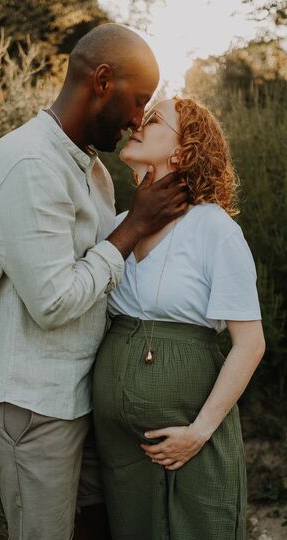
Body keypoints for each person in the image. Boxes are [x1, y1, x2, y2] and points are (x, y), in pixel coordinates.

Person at [0, 24, 188, 540]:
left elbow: (103, 278)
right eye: (138, 101)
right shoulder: (27, 163)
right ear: (102, 81)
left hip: (78, 394)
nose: (137, 120)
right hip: (30, 405)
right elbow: (54, 300)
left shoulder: (94, 171)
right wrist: (133, 226)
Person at [93, 97, 265, 540]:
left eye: (153, 121)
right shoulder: (117, 225)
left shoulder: (215, 229)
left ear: (184, 151)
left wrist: (199, 431)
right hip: (120, 447)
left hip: (189, 436)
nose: (138, 123)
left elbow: (250, 343)